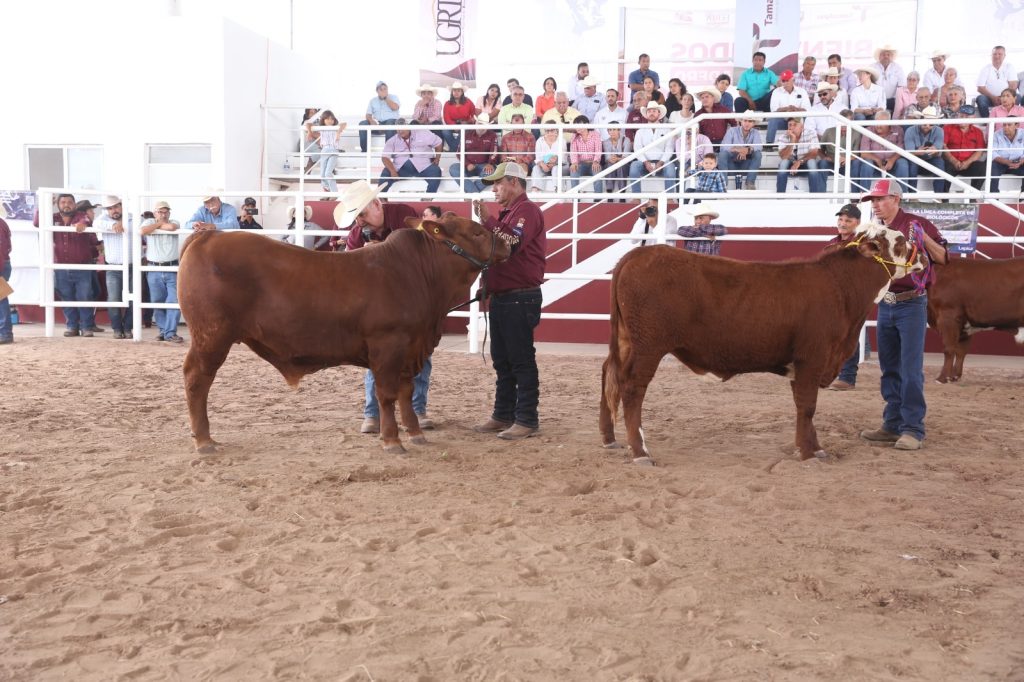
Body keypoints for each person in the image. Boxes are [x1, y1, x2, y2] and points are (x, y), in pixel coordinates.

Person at [333, 181, 433, 432]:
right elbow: (346, 271)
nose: (360, 221)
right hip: (381, 308)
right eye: (356, 217)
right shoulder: (357, 235)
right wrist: (363, 256)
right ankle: (373, 413)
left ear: (377, 204)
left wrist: (382, 252)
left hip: (414, 301)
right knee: (377, 357)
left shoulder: (404, 215)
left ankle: (416, 410)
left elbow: (424, 255)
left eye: (362, 214)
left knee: (419, 355)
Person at [859, 179, 948, 451]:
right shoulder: (874, 231)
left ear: (896, 199)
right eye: (873, 200)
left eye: (880, 199)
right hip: (886, 303)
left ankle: (912, 428)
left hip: (911, 303)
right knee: (890, 368)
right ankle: (892, 423)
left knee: (909, 369)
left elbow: (943, 257)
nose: (875, 205)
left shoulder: (916, 224)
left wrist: (925, 239)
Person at [471, 162, 547, 440]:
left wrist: (488, 220)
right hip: (508, 296)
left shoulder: (527, 211)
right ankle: (505, 414)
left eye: (498, 183)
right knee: (504, 360)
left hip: (519, 297)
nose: (494, 189)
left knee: (519, 359)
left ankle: (526, 418)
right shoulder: (516, 211)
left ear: (514, 182)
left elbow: (512, 244)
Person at [34, 193, 100, 337]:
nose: (66, 205)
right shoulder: (53, 218)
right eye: (63, 202)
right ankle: (72, 327)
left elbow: (85, 220)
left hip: (82, 266)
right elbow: (37, 223)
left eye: (69, 202)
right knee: (66, 296)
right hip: (61, 266)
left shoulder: (80, 216)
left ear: (74, 204)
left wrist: (82, 225)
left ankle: (86, 327)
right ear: (58, 204)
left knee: (85, 296)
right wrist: (44, 205)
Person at [825, 203, 866, 390]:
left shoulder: (860, 245)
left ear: (857, 223)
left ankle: (848, 377)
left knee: (849, 334)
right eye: (840, 219)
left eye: (848, 220)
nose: (842, 223)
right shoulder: (832, 244)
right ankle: (835, 373)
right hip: (833, 297)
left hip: (852, 297)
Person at [140, 201, 183, 343]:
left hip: (172, 267)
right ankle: (164, 331)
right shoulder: (148, 221)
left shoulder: (174, 221)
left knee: (174, 301)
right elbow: (142, 231)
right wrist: (158, 224)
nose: (163, 215)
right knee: (157, 301)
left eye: (165, 212)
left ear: (169, 213)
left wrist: (156, 226)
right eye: (160, 212)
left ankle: (169, 332)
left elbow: (171, 227)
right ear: (155, 213)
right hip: (154, 268)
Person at [94, 196, 134, 339]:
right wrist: (113, 225)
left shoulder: (133, 218)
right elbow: (96, 223)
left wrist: (119, 224)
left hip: (133, 266)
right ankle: (117, 328)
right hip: (113, 267)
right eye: (110, 208)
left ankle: (128, 328)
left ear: (122, 206)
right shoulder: (103, 219)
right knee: (113, 299)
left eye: (116, 206)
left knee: (134, 299)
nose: (113, 210)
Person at [378, 120, 443, 193]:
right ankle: (381, 198)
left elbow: (438, 142)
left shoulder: (422, 133)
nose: (400, 131)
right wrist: (392, 170)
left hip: (424, 166)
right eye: (398, 129)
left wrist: (437, 158)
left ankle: (428, 197)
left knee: (436, 171)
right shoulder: (392, 140)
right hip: (401, 168)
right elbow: (385, 157)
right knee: (386, 172)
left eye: (402, 128)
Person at [628, 102, 677, 193]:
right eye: (649, 111)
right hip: (644, 164)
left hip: (662, 163)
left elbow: (669, 148)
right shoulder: (640, 131)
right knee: (634, 166)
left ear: (659, 113)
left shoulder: (667, 130)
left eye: (654, 111)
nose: (651, 113)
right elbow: (637, 149)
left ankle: (669, 197)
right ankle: (636, 197)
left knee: (670, 167)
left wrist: (661, 162)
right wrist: (646, 162)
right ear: (646, 114)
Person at [856, 112, 908, 191]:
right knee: (867, 164)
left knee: (902, 163)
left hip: (893, 164)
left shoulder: (898, 130)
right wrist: (877, 159)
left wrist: (892, 160)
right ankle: (864, 194)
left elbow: (902, 149)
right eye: (876, 122)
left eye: (881, 123)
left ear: (889, 123)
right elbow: (864, 153)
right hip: (874, 165)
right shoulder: (868, 130)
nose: (878, 126)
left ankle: (903, 195)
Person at [449, 112, 498, 193]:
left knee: (491, 172)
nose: (481, 127)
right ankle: (475, 194)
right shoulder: (466, 134)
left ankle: (471, 194)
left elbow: (494, 151)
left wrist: (490, 163)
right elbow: (459, 152)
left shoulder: (492, 135)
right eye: (479, 123)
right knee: (454, 168)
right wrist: (467, 164)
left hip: (484, 165)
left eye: (484, 125)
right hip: (468, 166)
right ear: (475, 122)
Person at [776, 117, 825, 193]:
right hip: (791, 167)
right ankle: (780, 195)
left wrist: (799, 162)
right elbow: (783, 157)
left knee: (812, 162)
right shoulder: (783, 136)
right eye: (790, 125)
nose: (791, 127)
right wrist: (792, 140)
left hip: (805, 164)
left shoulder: (811, 133)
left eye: (795, 125)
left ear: (802, 126)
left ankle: (814, 195)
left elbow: (814, 153)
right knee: (783, 163)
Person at [904, 106, 947, 192]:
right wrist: (918, 152)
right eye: (925, 122)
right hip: (915, 158)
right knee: (912, 164)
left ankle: (939, 195)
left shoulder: (939, 131)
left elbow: (938, 151)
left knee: (940, 163)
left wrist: (934, 151)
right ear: (920, 120)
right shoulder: (910, 130)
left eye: (931, 123)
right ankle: (912, 195)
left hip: (932, 158)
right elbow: (909, 152)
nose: (927, 125)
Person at [943, 106, 986, 191]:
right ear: (957, 116)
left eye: (967, 116)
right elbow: (943, 146)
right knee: (944, 166)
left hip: (969, 164)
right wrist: (954, 161)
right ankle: (943, 197)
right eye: (961, 116)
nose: (963, 118)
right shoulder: (948, 128)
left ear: (973, 118)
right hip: (951, 162)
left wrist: (967, 162)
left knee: (982, 168)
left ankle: (973, 195)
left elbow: (979, 151)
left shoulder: (978, 132)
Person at [305, 109, 346, 194]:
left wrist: (338, 132)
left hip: (333, 150)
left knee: (328, 173)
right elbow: (308, 123)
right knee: (322, 174)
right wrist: (309, 132)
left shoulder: (335, 128)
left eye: (332, 119)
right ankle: (327, 190)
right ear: (323, 120)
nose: (330, 121)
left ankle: (334, 192)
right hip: (324, 151)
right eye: (327, 119)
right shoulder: (321, 128)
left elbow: (344, 123)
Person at [718, 114, 763, 190]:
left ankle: (750, 182)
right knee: (722, 154)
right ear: (741, 121)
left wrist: (747, 150)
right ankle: (723, 184)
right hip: (732, 165)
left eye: (750, 121)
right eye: (745, 120)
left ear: (753, 123)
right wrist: (739, 149)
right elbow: (723, 147)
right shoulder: (732, 130)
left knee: (758, 154)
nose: (747, 123)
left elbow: (759, 147)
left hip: (746, 166)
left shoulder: (755, 132)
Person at [767, 70, 809, 147]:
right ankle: (769, 144)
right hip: (783, 120)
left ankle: (807, 143)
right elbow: (774, 110)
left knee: (807, 118)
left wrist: (795, 109)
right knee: (773, 118)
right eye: (783, 81)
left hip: (798, 120)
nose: (785, 83)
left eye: (787, 80)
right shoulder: (776, 91)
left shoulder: (802, 91)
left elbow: (807, 109)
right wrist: (787, 109)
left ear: (793, 80)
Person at [976, 45, 1019, 118]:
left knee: (1018, 97)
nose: (997, 56)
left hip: (1007, 96)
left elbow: (1013, 85)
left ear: (1004, 56)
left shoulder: (1009, 67)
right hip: (990, 98)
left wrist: (1003, 97)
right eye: (994, 54)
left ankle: (1011, 119)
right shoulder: (985, 69)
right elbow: (980, 88)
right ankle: (988, 121)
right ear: (991, 55)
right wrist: (993, 97)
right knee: (980, 99)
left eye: (1000, 54)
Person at [359, 81, 401, 154]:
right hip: (378, 124)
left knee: (390, 122)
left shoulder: (394, 97)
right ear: (377, 91)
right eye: (381, 89)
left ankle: (388, 152)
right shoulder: (373, 101)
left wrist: (385, 98)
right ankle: (365, 152)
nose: (383, 91)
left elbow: (395, 107)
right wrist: (371, 120)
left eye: (385, 89)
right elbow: (368, 114)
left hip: (391, 124)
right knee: (362, 124)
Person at [569, 115, 603, 194]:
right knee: (573, 170)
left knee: (597, 171)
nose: (578, 128)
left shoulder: (595, 134)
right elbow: (573, 152)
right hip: (581, 164)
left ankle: (598, 198)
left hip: (593, 163)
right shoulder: (574, 137)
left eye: (580, 125)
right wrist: (574, 163)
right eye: (576, 126)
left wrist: (596, 161)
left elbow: (598, 150)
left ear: (587, 124)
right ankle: (575, 197)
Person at [989, 119, 1024, 193]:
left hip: (1019, 163)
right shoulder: (996, 134)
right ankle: (994, 197)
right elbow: (992, 152)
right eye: (1004, 125)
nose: (1006, 127)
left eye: (1009, 125)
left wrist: (1021, 162)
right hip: (1001, 163)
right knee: (992, 167)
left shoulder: (1023, 133)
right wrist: (1006, 162)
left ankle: (1023, 195)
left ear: (1017, 125)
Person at [872, 43, 906, 113]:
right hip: (875, 101)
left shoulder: (898, 68)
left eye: (888, 54)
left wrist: (898, 102)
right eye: (883, 54)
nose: (886, 56)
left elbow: (901, 86)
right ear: (879, 56)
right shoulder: (872, 67)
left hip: (892, 101)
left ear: (892, 56)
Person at [442, 81, 475, 152]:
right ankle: (456, 150)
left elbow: (473, 114)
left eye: (458, 91)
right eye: (454, 90)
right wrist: (454, 126)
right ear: (452, 92)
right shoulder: (447, 104)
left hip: (465, 124)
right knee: (445, 131)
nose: (456, 92)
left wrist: (467, 122)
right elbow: (446, 118)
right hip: (452, 125)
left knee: (465, 131)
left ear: (462, 92)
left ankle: (453, 150)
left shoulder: (468, 101)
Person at [531, 127, 567, 192]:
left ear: (556, 131)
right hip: (544, 166)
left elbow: (563, 159)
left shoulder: (562, 140)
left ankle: (558, 190)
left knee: (556, 168)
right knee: (536, 168)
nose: (550, 133)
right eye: (547, 131)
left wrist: (554, 163)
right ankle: (535, 190)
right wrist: (542, 164)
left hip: (559, 166)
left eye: (552, 130)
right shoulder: (540, 141)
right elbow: (538, 158)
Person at [602, 125, 632, 198]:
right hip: (611, 162)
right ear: (608, 131)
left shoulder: (626, 140)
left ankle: (622, 192)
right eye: (610, 130)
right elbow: (607, 157)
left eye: (614, 129)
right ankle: (609, 192)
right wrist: (611, 159)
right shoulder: (606, 142)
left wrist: (617, 159)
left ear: (619, 130)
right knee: (609, 165)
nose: (612, 132)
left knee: (620, 165)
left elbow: (626, 157)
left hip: (624, 163)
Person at [0, 215, 12, 344]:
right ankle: (4, 332)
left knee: (1, 298)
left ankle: (5, 332)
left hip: (1, 263)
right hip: (3, 262)